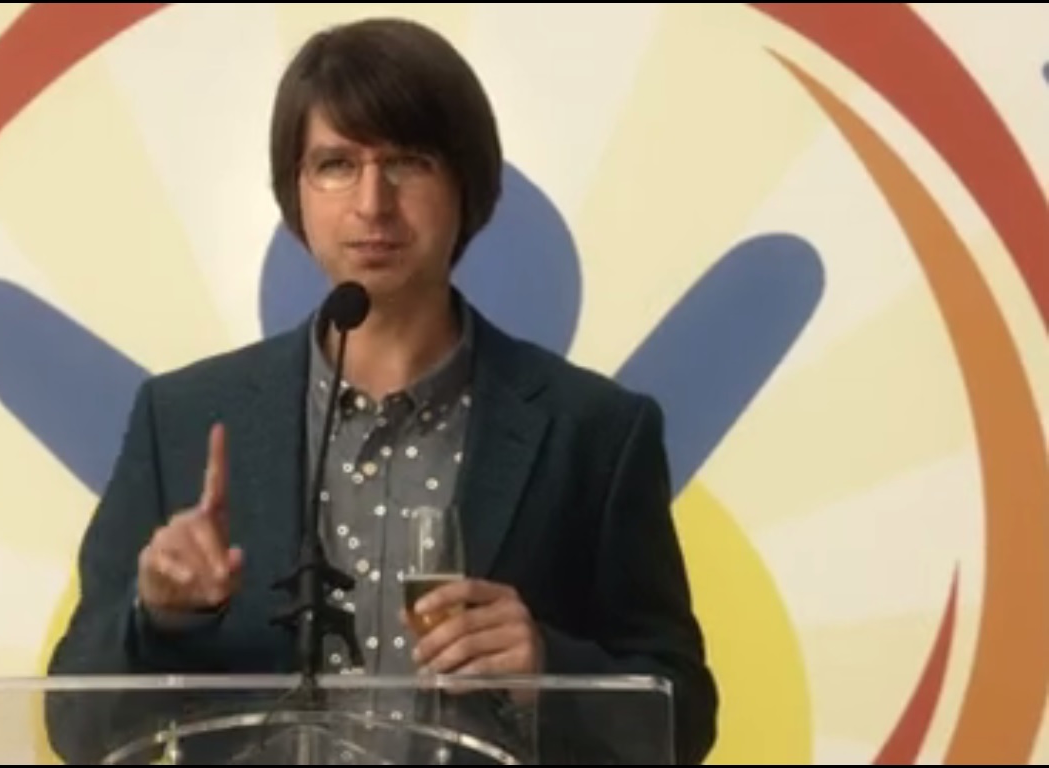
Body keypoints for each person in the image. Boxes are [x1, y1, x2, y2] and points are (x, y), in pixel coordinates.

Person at [44, 15, 718, 765]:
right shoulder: (182, 419)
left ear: (466, 184)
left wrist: (547, 671)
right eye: (336, 164)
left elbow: (683, 721)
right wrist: (157, 618)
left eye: (407, 162)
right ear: (297, 193)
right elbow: (74, 724)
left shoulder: (593, 430)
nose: (372, 202)